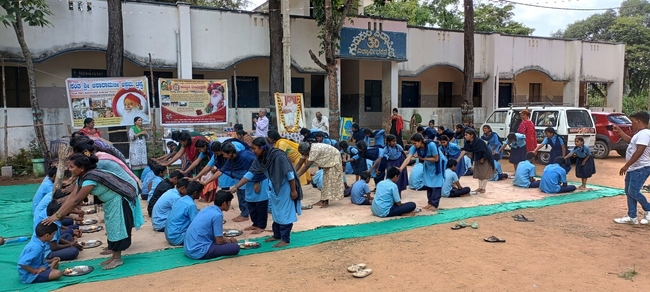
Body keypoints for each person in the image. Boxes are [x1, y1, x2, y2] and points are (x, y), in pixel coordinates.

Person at [43, 152, 145, 270]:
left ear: (81, 168)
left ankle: (117, 258)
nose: (69, 169)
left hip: (120, 201)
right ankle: (114, 256)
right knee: (112, 228)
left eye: (71, 167)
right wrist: (58, 213)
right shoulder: (82, 178)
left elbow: (76, 200)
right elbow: (72, 197)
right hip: (111, 202)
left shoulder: (89, 180)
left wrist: (57, 216)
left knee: (118, 228)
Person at [232, 137, 302, 247]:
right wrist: (236, 187)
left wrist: (293, 191)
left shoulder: (279, 156)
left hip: (286, 188)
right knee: (276, 213)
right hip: (275, 187)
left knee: (285, 214)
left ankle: (285, 239)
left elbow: (290, 175)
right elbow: (250, 174)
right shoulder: (260, 159)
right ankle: (277, 235)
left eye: (254, 148)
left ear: (262, 148)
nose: (252, 151)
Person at [204, 141, 268, 226]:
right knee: (250, 202)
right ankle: (255, 224)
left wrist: (257, 181)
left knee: (260, 204)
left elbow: (260, 166)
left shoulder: (246, 156)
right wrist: (206, 182)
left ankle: (261, 226)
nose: (223, 156)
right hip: (248, 182)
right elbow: (221, 172)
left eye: (224, 154)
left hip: (259, 180)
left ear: (230, 153)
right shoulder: (230, 160)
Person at [612, 111, 650, 225]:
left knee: (633, 191)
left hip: (640, 167)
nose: (631, 124)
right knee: (629, 192)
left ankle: (648, 208)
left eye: (632, 121)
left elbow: (639, 151)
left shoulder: (645, 133)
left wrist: (626, 165)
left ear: (639, 121)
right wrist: (620, 132)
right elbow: (630, 141)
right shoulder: (640, 133)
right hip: (634, 168)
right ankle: (632, 216)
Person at [184, 191, 240, 259]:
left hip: (188, 249)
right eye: (229, 202)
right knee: (235, 247)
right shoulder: (218, 215)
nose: (230, 204)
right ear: (224, 203)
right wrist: (230, 241)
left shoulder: (207, 209)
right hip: (199, 251)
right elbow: (219, 241)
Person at [399, 133, 446, 211]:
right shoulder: (415, 147)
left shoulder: (431, 145)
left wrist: (423, 159)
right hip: (428, 165)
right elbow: (408, 159)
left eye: (415, 143)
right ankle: (430, 202)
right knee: (428, 182)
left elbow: (436, 159)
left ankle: (435, 204)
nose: (414, 145)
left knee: (436, 184)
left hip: (438, 164)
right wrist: (400, 169)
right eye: (413, 143)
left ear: (420, 141)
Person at [296, 142, 344, 208]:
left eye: (303, 153)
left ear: (307, 150)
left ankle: (325, 202)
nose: (303, 155)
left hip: (333, 159)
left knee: (329, 180)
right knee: (325, 180)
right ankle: (322, 200)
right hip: (328, 159)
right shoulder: (307, 150)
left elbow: (307, 166)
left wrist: (297, 176)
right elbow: (299, 163)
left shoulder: (313, 151)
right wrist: (293, 173)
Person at [165, 181, 204, 246]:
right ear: (195, 193)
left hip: (169, 235)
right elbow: (196, 224)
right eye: (200, 192)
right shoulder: (191, 205)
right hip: (177, 238)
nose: (200, 194)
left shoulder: (181, 199)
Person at [458, 129, 496, 193]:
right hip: (477, 156)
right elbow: (464, 150)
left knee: (484, 173)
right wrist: (458, 159)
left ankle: (483, 188)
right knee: (479, 172)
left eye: (466, 135)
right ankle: (480, 187)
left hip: (485, 156)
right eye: (465, 135)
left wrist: (483, 158)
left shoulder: (479, 141)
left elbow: (484, 150)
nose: (465, 136)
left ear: (472, 135)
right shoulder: (467, 142)